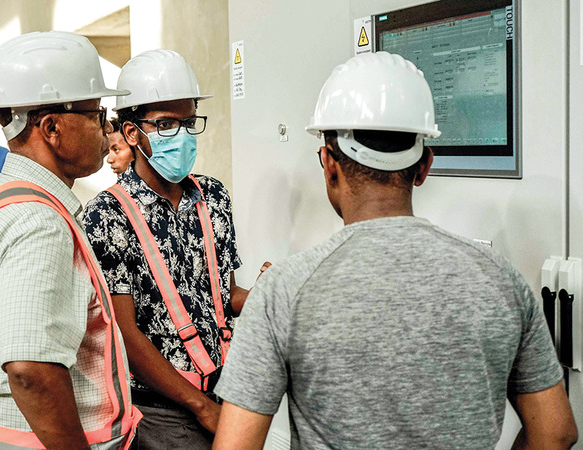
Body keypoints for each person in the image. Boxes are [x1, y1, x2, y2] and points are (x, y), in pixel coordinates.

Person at [212, 52, 578, 449]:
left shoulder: (282, 291)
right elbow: (556, 433)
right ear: (424, 167)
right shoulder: (501, 280)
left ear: (329, 165)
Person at [0, 31, 140, 449]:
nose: (107, 130)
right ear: (52, 128)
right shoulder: (38, 222)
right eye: (96, 115)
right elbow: (30, 371)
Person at [83, 49, 269, 449]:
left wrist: (264, 295)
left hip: (226, 390)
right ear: (132, 132)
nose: (182, 135)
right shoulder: (107, 215)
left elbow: (221, 296)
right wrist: (200, 407)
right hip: (161, 409)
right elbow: (124, 332)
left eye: (188, 122)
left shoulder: (213, 196)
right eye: (166, 124)